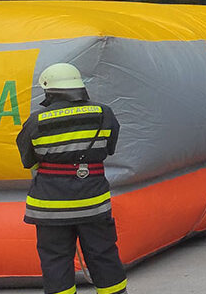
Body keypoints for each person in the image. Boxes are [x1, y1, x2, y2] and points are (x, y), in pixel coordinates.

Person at [15, 63, 128, 294]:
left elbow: (28, 160)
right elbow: (109, 148)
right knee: (103, 254)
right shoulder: (103, 113)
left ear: (48, 90)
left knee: (56, 260)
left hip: (49, 205)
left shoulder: (37, 120)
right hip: (93, 201)